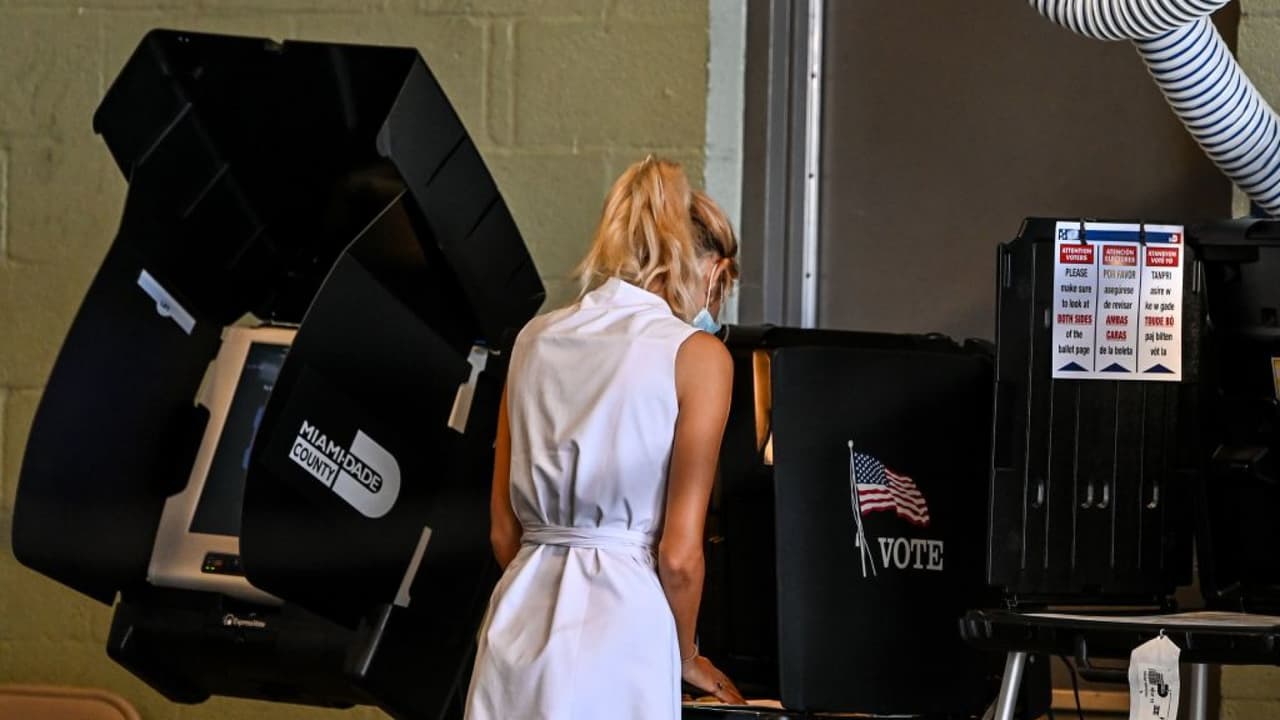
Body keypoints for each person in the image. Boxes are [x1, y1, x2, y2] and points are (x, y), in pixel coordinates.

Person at [464, 156, 744, 719]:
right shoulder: (698, 356)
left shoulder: (534, 339)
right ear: (712, 271)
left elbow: (502, 530)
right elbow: (681, 556)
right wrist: (686, 654)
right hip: (625, 630)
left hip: (517, 621)